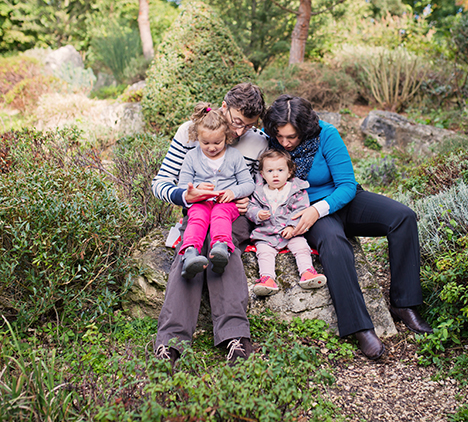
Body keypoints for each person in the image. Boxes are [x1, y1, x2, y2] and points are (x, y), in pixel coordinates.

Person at [262, 94, 433, 361]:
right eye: (280, 136)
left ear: (305, 129)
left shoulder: (326, 135)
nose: (284, 143)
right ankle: (361, 327)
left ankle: (404, 303)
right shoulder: (268, 137)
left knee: (403, 217)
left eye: (291, 137)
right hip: (304, 211)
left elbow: (347, 185)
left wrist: (317, 209)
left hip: (338, 200)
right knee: (334, 243)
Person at [151, 82, 268, 365]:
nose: (239, 132)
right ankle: (170, 341)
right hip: (198, 209)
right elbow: (160, 184)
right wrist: (185, 196)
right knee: (192, 246)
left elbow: (265, 186)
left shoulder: (259, 141)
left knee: (223, 246)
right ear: (224, 107)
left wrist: (249, 203)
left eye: (248, 126)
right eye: (237, 121)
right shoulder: (190, 132)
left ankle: (236, 337)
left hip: (234, 215)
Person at [176, 103, 256, 279]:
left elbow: (248, 184)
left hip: (226, 203)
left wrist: (233, 192)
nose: (212, 148)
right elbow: (183, 185)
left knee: (220, 214)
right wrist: (195, 190)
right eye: (205, 143)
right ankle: (190, 253)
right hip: (201, 202)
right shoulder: (192, 156)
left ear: (226, 137)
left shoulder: (234, 156)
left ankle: (220, 248)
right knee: (196, 218)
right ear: (197, 137)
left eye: (217, 143)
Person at [246, 148, 327, 296]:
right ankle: (267, 278)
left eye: (280, 170)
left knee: (301, 246)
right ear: (263, 174)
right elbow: (250, 208)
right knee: (263, 252)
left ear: (289, 172)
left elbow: (301, 209)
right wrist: (257, 214)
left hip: (290, 233)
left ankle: (307, 272)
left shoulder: (296, 190)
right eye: (270, 171)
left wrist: (292, 226)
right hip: (266, 233)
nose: (275, 174)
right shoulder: (259, 192)